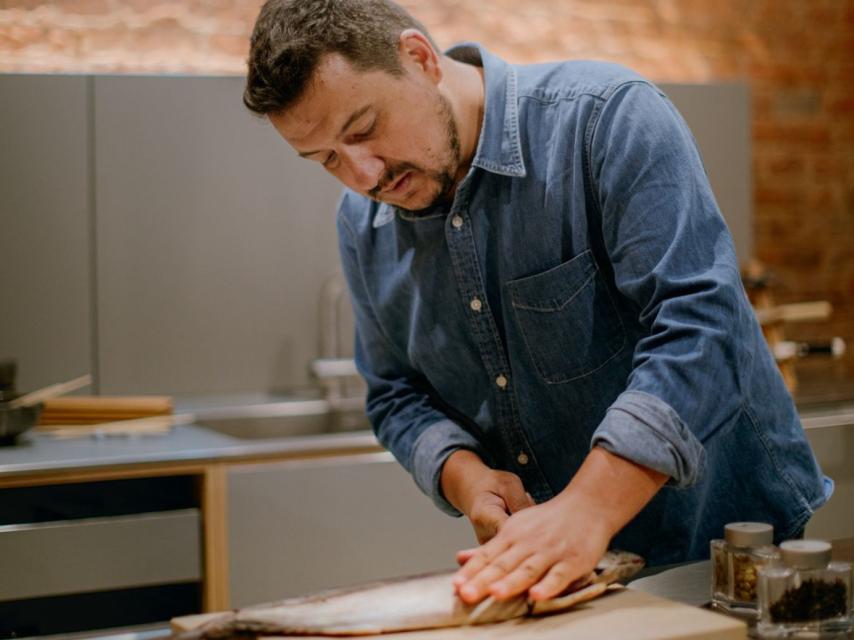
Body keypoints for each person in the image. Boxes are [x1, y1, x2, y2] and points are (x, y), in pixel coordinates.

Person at [243, 0, 831, 606]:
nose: (364, 176)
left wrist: (588, 508)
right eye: (327, 160)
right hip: (565, 580)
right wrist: (465, 477)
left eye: (364, 129)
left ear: (419, 59)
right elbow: (395, 394)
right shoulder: (362, 224)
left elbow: (703, 329)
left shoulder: (607, 119)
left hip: (729, 560)